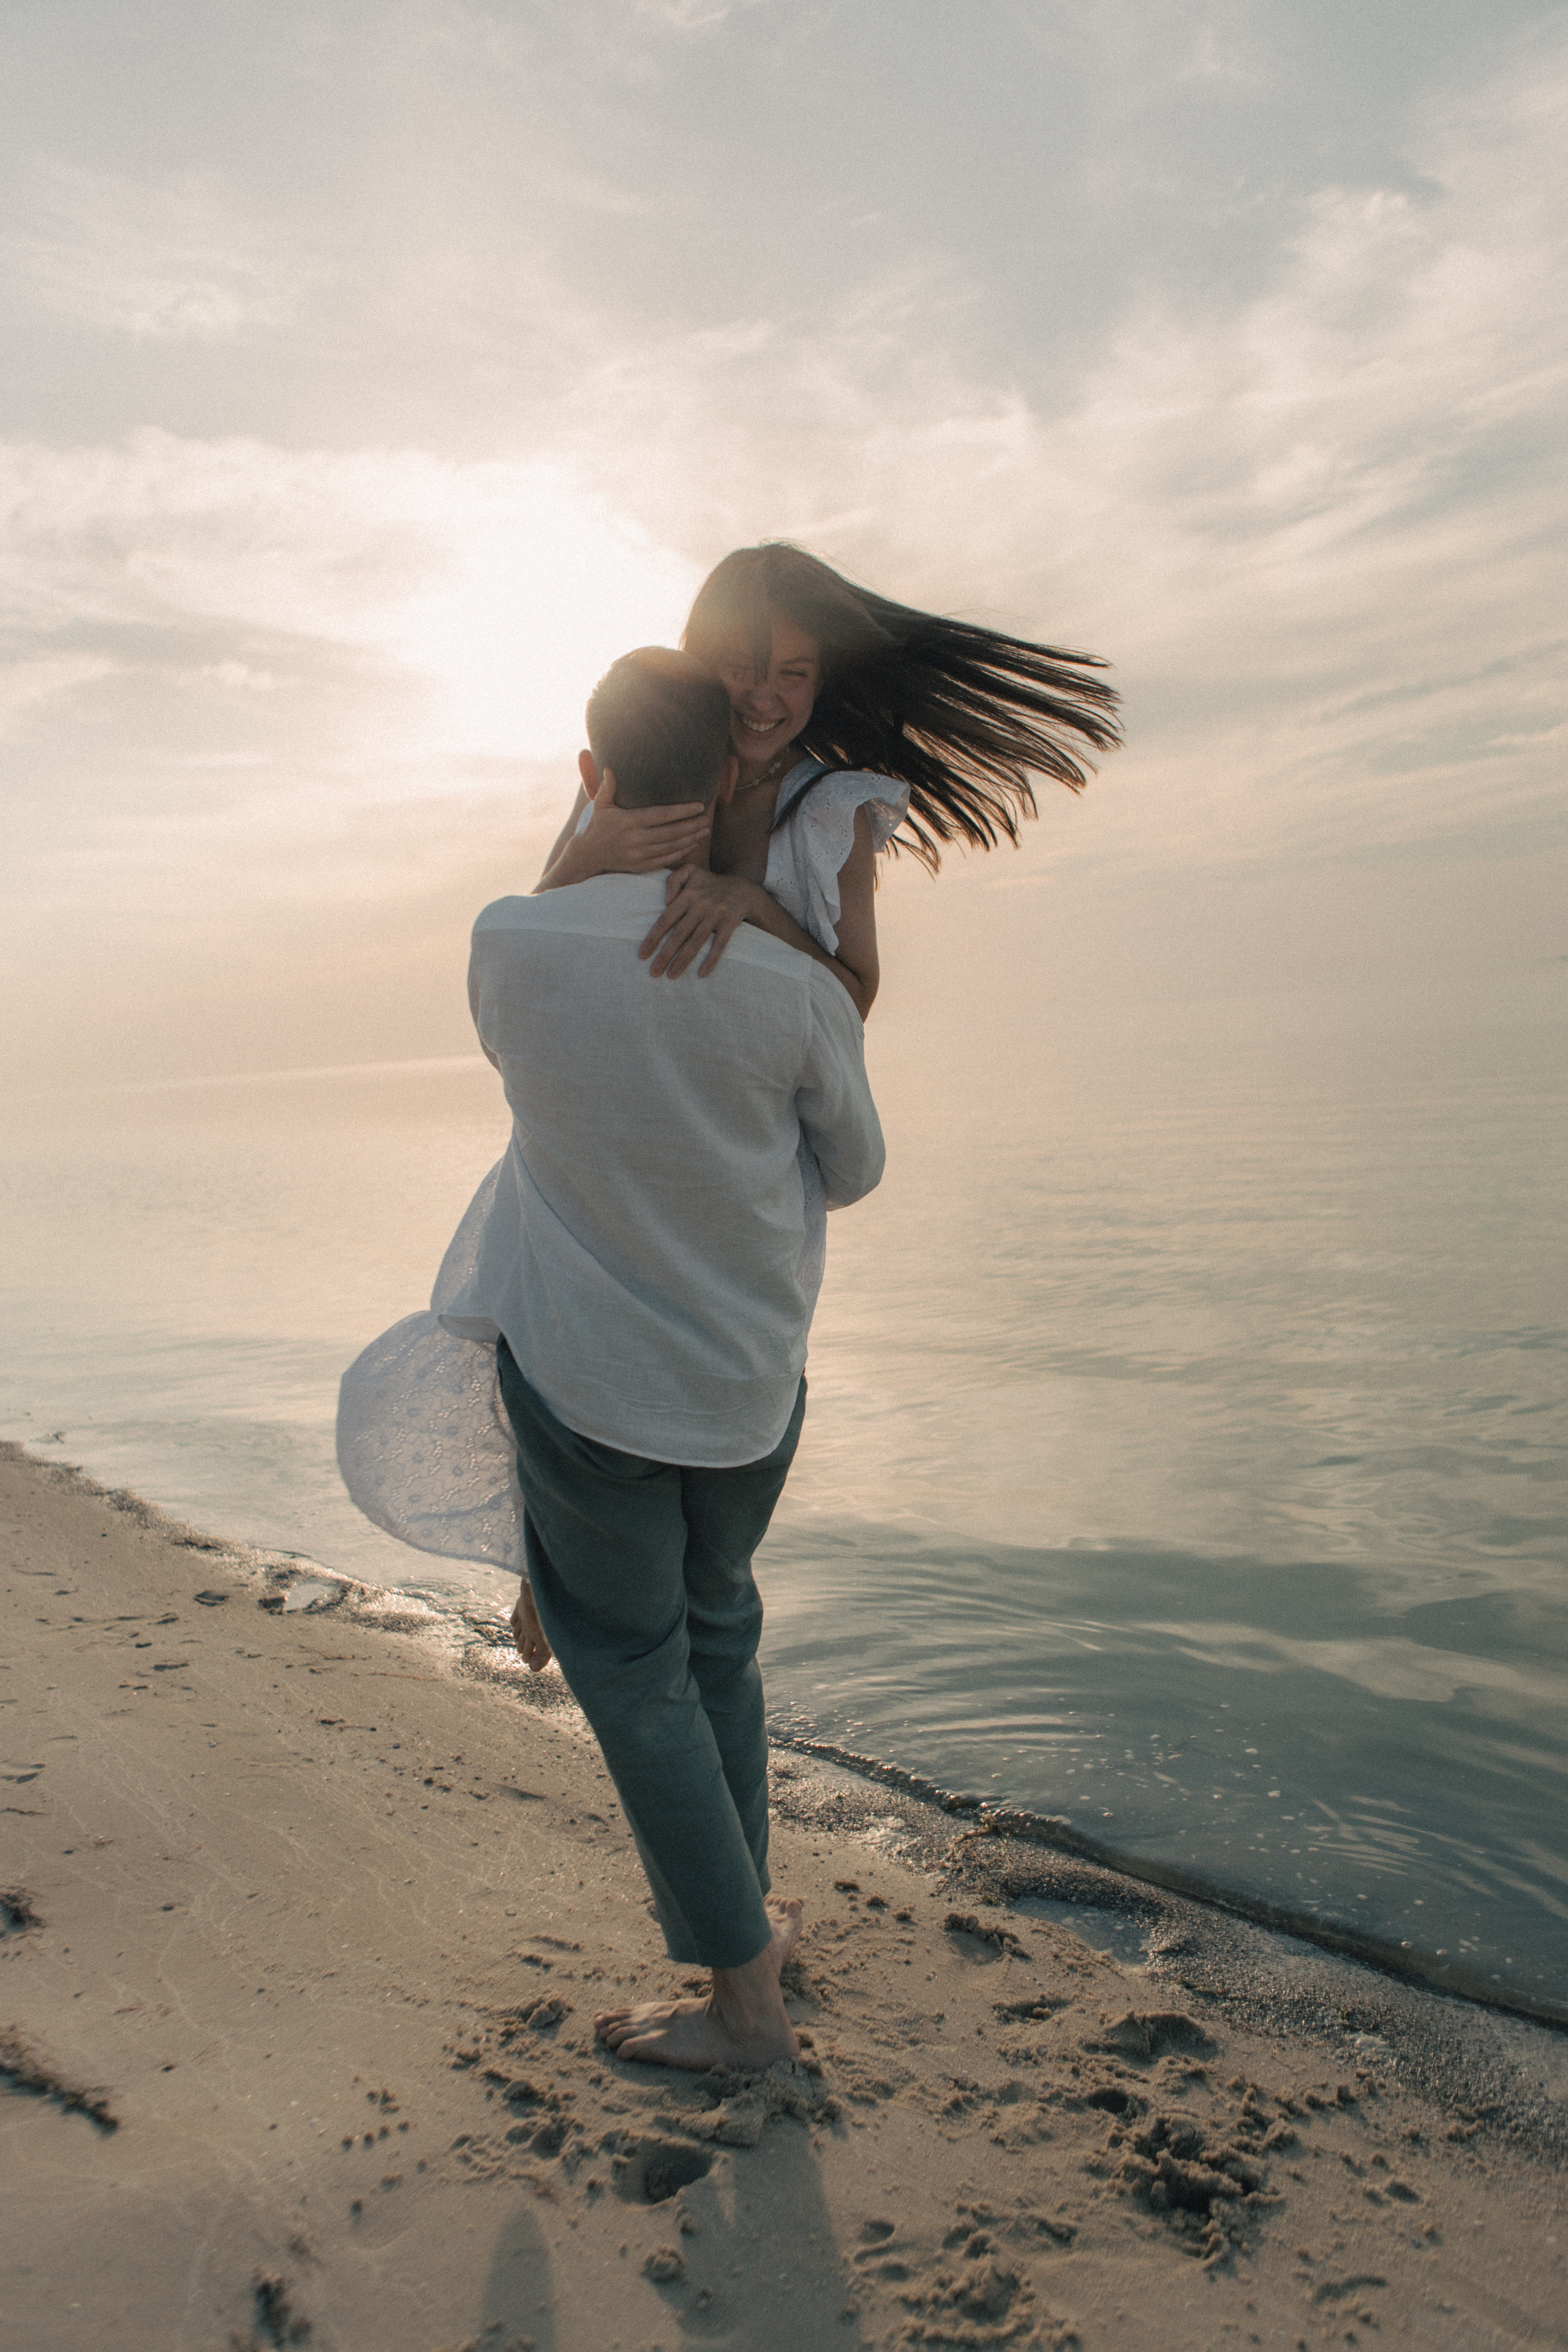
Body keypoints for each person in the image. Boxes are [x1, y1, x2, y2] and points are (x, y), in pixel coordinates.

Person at [339, 545, 1114, 1662]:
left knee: (655, 1425)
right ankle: (548, 1561)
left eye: (794, 674)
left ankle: (582, 1584)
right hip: (617, 1120)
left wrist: (753, 907)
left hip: (725, 1155)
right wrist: (588, 853)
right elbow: (540, 952)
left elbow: (851, 994)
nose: (765, 696)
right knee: (538, 1294)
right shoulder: (637, 768)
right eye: (743, 667)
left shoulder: (831, 806)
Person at [435, 646, 885, 2068]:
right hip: (748, 1384)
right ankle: (749, 1916)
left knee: (630, 1669)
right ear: (734, 780)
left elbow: (534, 998)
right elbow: (855, 1169)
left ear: (594, 777)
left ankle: (743, 1999)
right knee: (717, 1637)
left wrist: (581, 845)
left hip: (589, 1387)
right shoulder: (788, 983)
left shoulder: (509, 940)